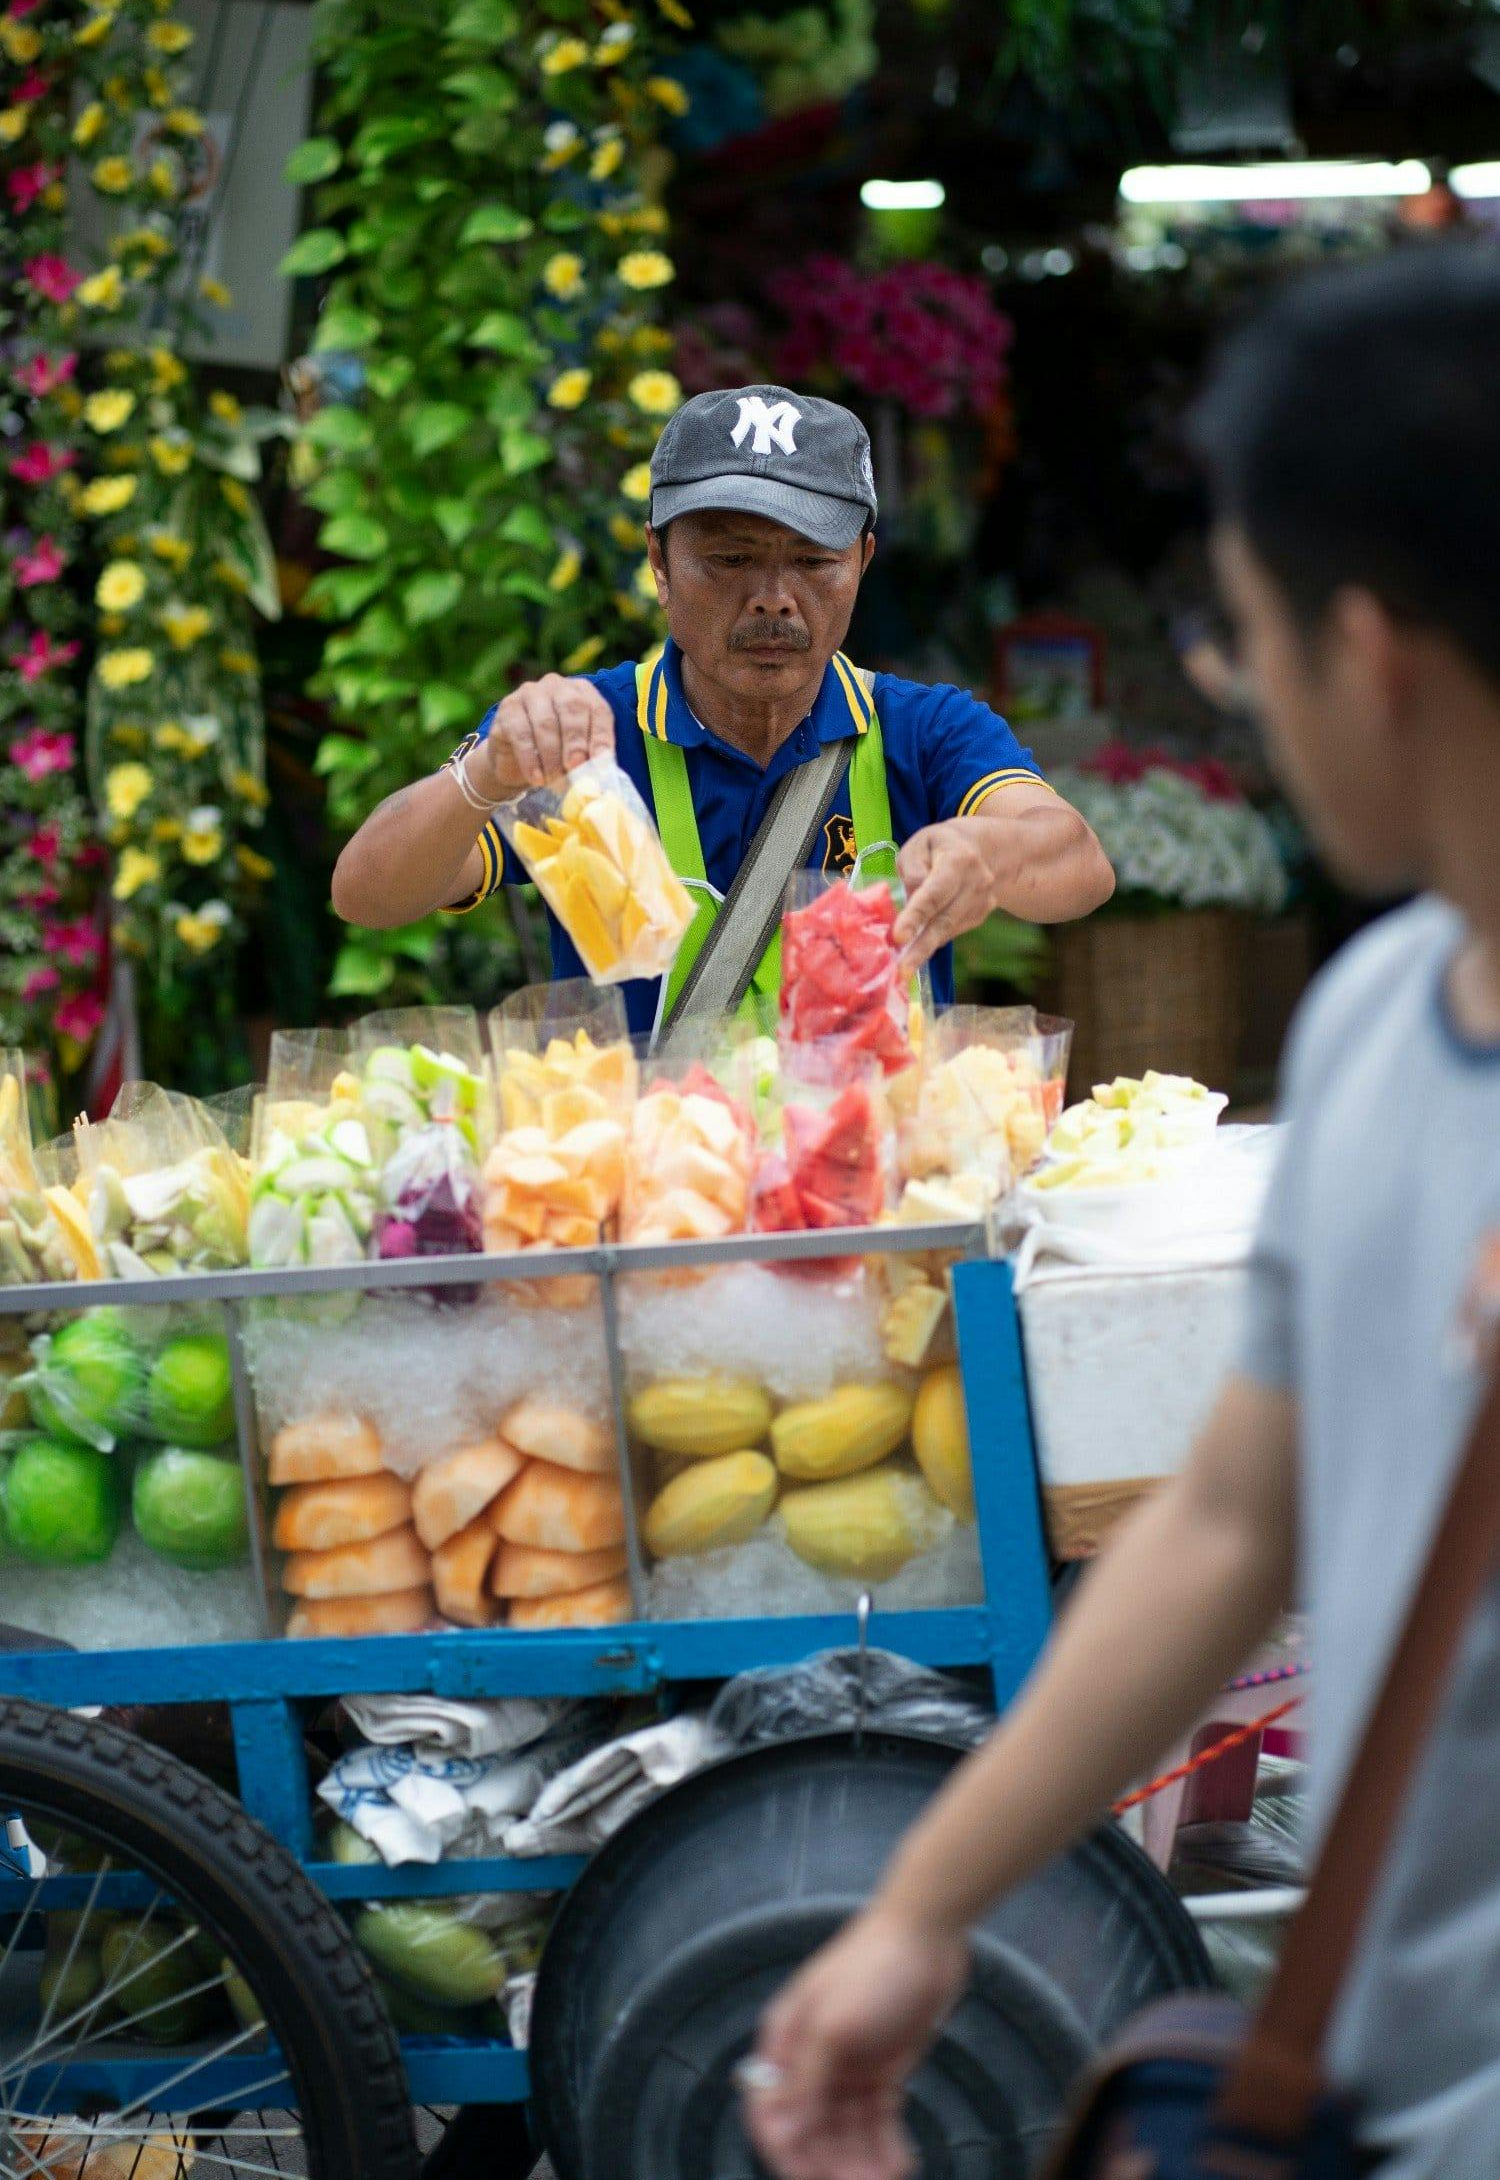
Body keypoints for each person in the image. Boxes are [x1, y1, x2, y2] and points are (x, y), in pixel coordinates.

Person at [746, 245, 1500, 2180]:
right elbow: (1236, 1521)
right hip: (1394, 2071)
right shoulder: (1367, 1025)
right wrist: (927, 1907)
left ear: (1371, 656)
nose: (1238, 699)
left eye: (1240, 645)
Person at [332, 384, 1112, 1029]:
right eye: (730, 560)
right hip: (648, 1198)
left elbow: (1078, 867)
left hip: (868, 1196)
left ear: (864, 562)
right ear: (659, 564)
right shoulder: (579, 740)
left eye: (813, 562)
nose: (774, 600)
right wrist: (485, 777)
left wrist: (989, 854)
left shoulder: (926, 732)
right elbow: (369, 894)